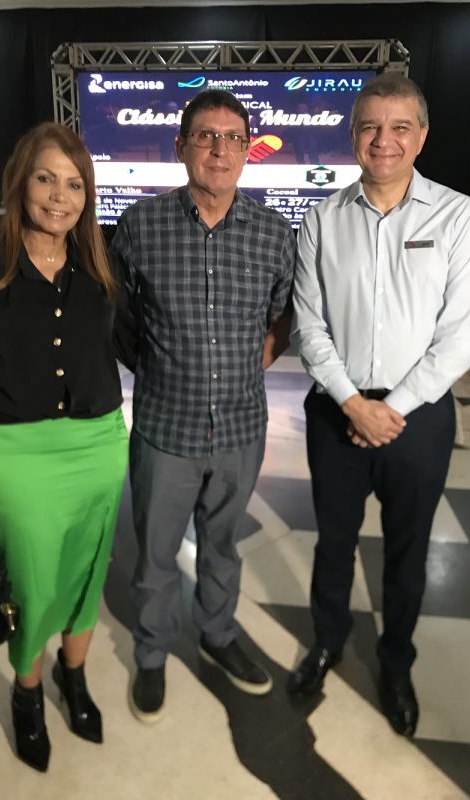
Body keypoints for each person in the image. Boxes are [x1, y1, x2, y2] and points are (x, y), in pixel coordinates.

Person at [288, 74, 470, 737]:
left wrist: (390, 406)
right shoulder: (322, 218)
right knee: (333, 544)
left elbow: (464, 333)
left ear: (421, 136)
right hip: (336, 412)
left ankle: (396, 663)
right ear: (352, 135)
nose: (384, 140)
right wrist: (352, 402)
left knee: (408, 551)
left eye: (400, 127)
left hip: (418, 416)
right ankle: (327, 643)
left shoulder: (457, 216)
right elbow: (308, 325)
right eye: (370, 126)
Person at [0, 122, 133, 772]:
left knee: (88, 575)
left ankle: (74, 677)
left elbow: (127, 347)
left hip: (99, 449)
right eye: (46, 179)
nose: (58, 196)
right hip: (18, 456)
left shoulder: (100, 265)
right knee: (34, 586)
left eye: (74, 184)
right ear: (20, 182)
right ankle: (27, 692)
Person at [111, 89, 296, 723]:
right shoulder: (140, 226)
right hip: (165, 430)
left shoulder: (273, 233)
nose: (220, 149)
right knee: (155, 554)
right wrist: (161, 372)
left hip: (241, 429)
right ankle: (152, 652)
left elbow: (281, 318)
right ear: (181, 146)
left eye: (233, 138)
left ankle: (217, 635)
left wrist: (247, 366)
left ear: (248, 150)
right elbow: (121, 320)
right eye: (205, 136)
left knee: (223, 546)